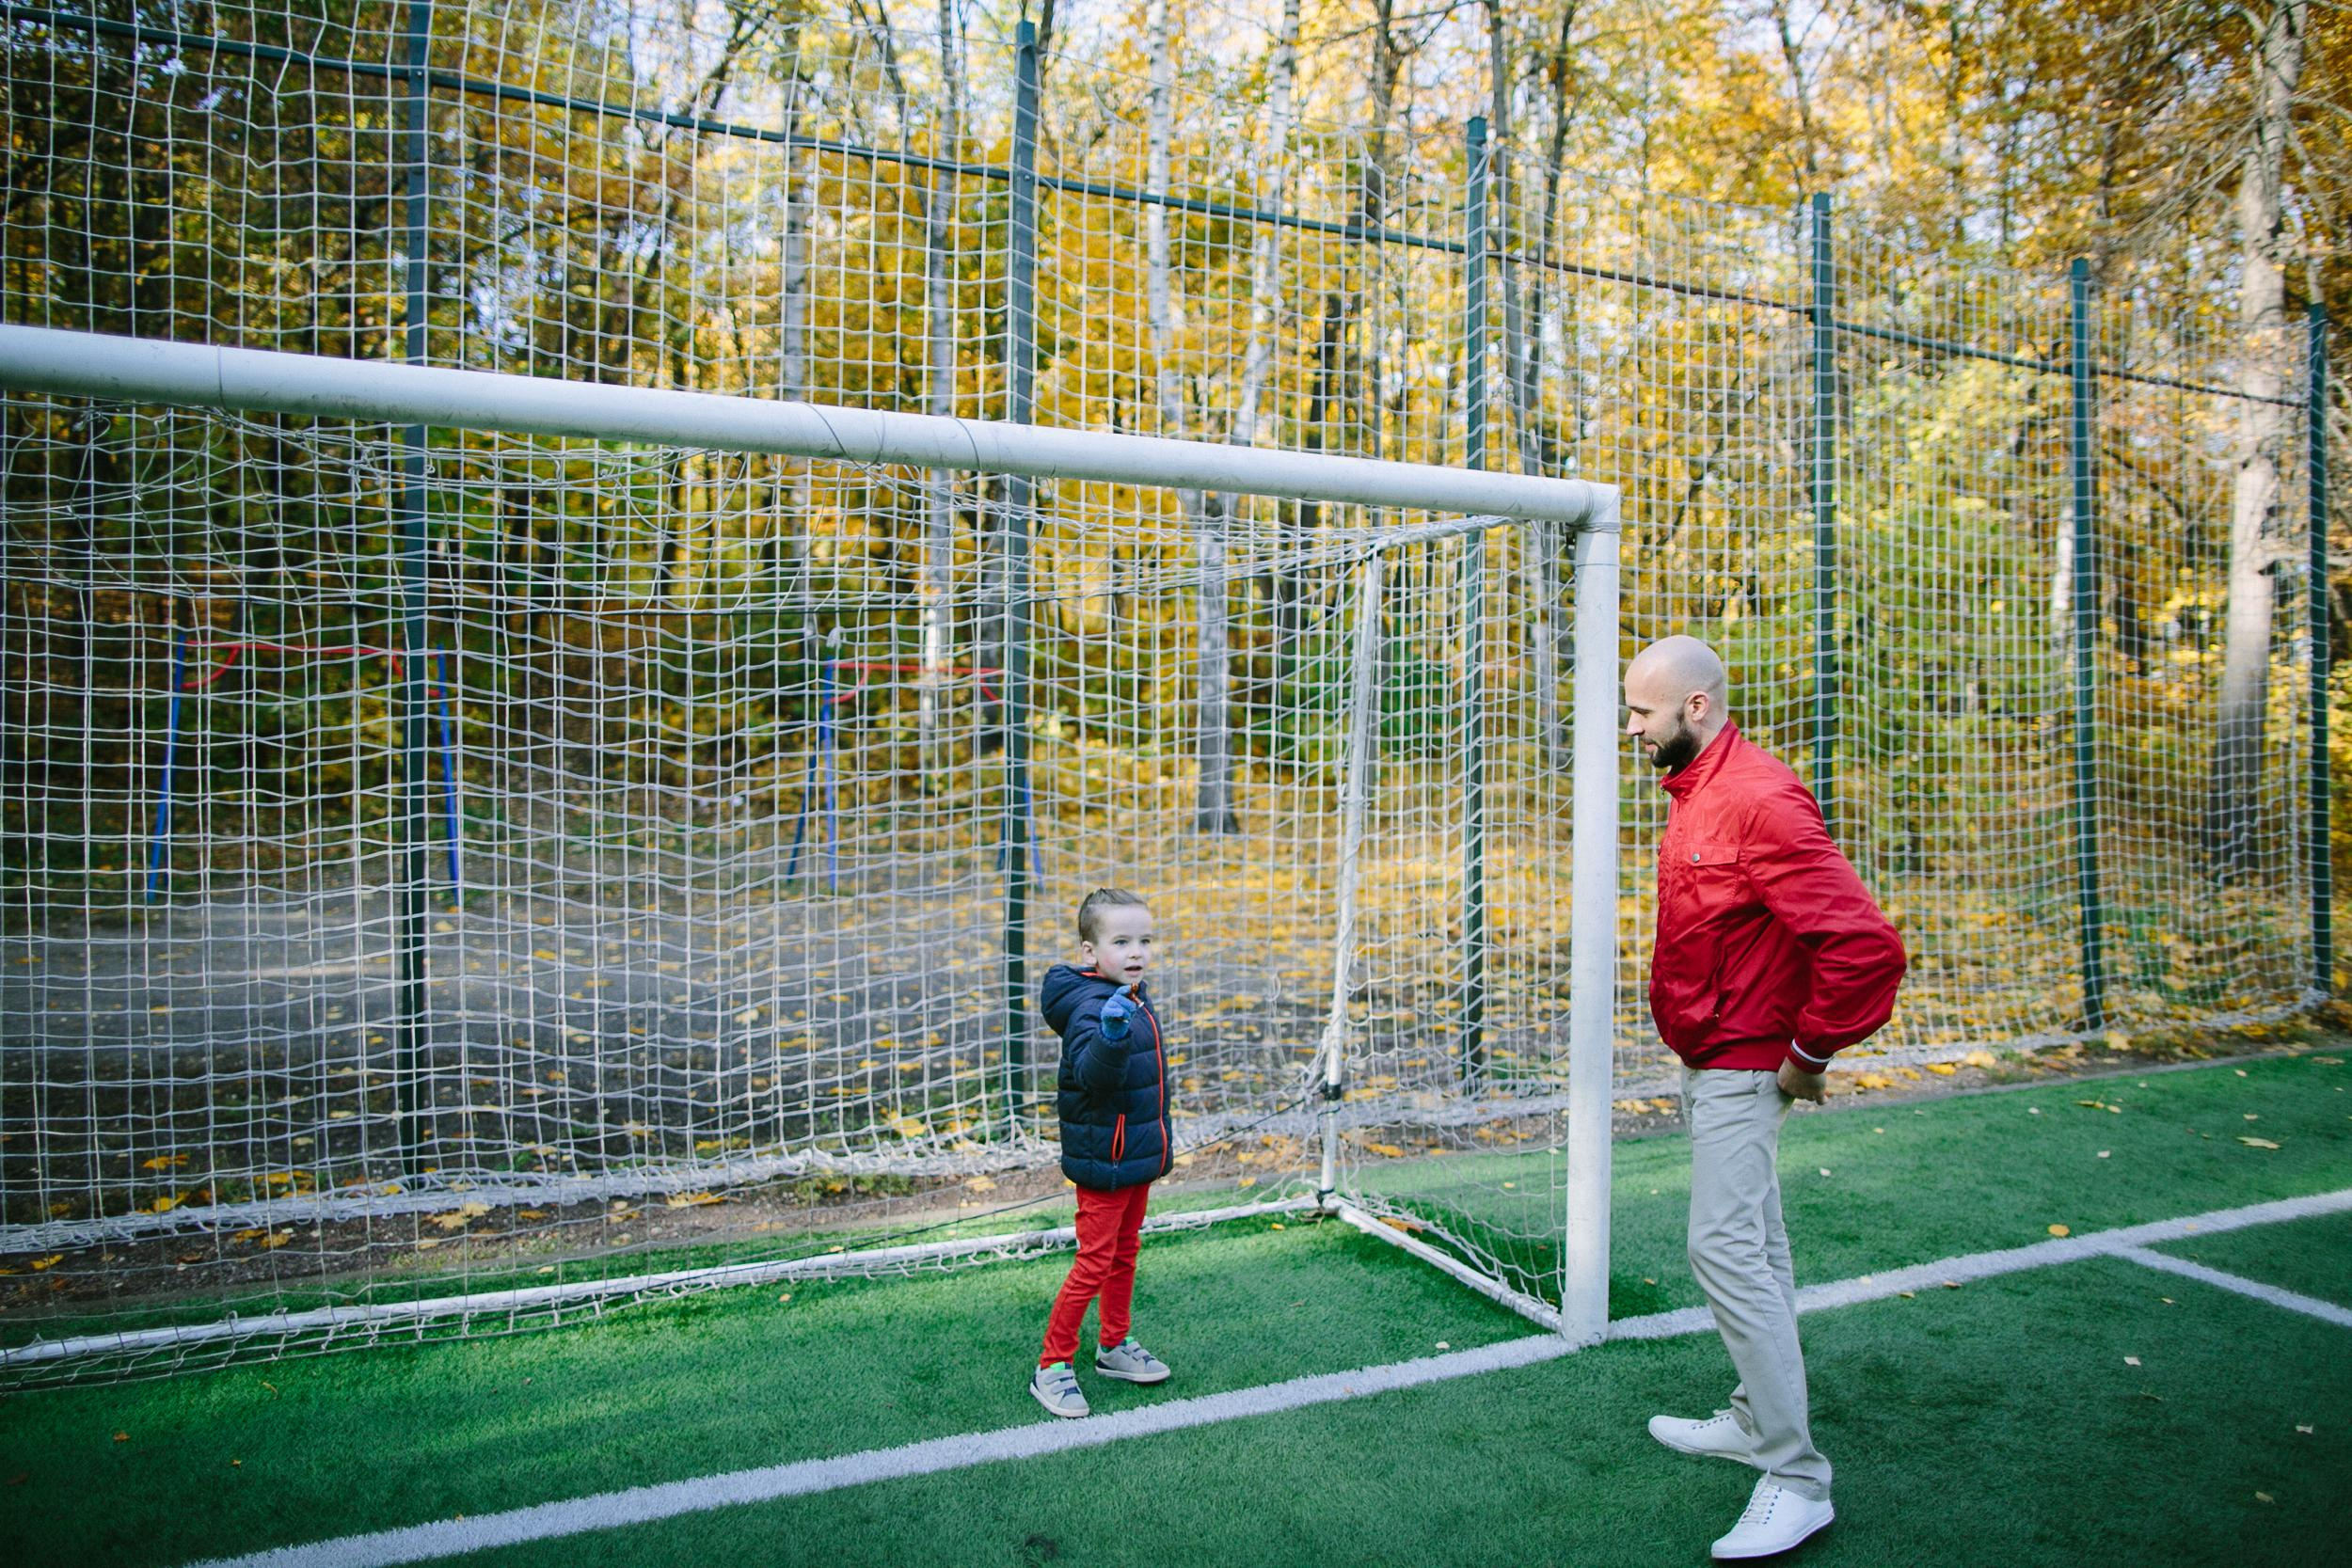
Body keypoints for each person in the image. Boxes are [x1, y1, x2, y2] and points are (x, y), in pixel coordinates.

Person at [1625, 635, 1906, 1560]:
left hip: (1750, 1065)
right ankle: (1753, 1418)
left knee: (1723, 1248)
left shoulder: (1756, 798)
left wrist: (1808, 1051)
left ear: (1694, 708)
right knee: (1757, 1244)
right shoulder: (1699, 787)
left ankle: (1794, 1474)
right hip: (1712, 1055)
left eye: (1642, 713)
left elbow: (1865, 946)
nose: (1631, 728)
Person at [1029, 887, 1177, 1418]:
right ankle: (1052, 1365)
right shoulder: (1093, 1006)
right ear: (1090, 952)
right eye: (1121, 941)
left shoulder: (1131, 992)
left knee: (1125, 1252)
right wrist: (1113, 1035)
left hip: (1134, 1153)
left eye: (1144, 939)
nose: (1136, 952)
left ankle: (1114, 1346)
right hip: (1104, 1160)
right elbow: (1092, 1075)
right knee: (1094, 1261)